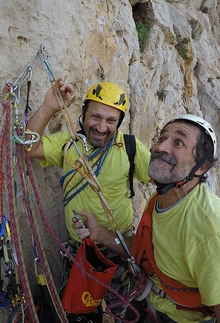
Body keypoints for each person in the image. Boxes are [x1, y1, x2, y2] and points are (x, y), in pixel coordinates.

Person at [73, 114, 220, 323]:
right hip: (148, 301)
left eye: (178, 142)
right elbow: (143, 248)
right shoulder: (161, 200)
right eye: (162, 138)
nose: (160, 147)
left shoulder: (214, 231)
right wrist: (99, 233)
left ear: (201, 167)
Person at [27, 79, 152, 321]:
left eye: (111, 120)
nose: (101, 127)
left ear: (119, 123)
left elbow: (163, 183)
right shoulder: (68, 143)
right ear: (83, 114)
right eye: (95, 117)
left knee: (118, 313)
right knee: (79, 308)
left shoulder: (129, 148)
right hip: (79, 250)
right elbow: (29, 149)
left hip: (118, 249)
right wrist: (48, 108)